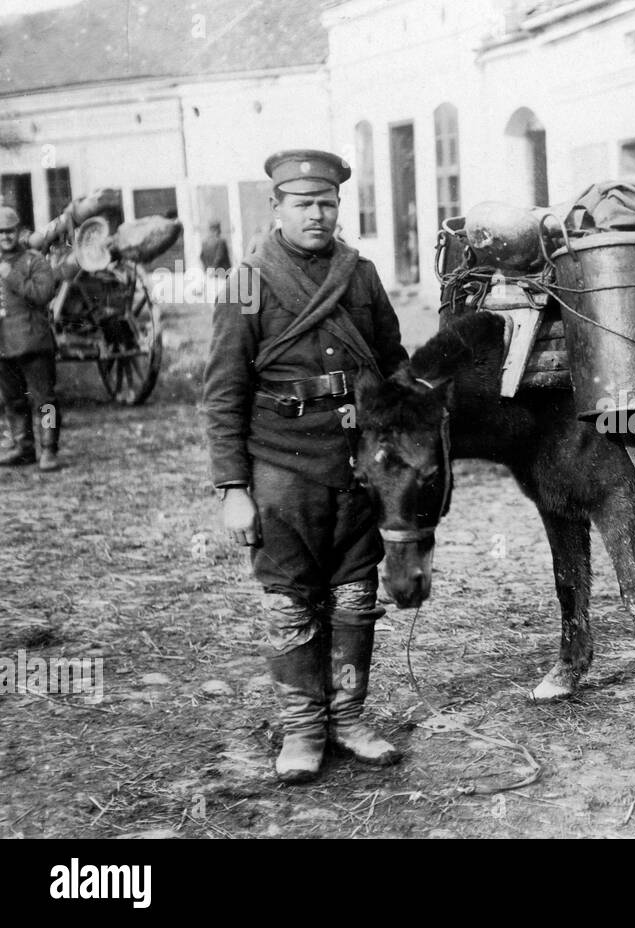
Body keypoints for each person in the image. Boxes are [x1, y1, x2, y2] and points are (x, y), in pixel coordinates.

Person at [204, 149, 409, 783]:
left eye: (327, 203)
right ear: (277, 208)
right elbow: (223, 392)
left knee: (355, 595)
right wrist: (233, 488)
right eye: (303, 204)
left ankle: (348, 718)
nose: (317, 214)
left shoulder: (361, 274)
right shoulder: (247, 280)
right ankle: (302, 730)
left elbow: (393, 363)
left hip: (353, 466)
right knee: (290, 600)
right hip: (282, 467)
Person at [0, 206, 60, 471]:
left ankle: (49, 449)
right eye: (0, 232)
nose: (5, 236)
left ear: (19, 231)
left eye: (9, 231)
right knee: (13, 401)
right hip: (4, 345)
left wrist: (10, 276)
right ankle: (22, 447)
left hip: (33, 343)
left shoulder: (34, 261)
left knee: (45, 401)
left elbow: (43, 294)